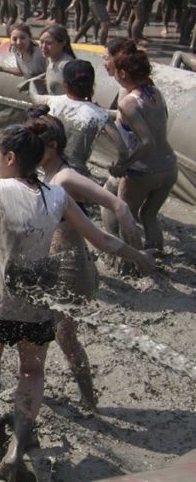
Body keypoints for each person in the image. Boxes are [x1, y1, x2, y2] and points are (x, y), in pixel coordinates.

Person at [0, 122, 154, 479]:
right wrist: (141, 257)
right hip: (36, 306)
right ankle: (17, 449)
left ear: (9, 157)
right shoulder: (56, 196)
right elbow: (101, 240)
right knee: (32, 373)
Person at [27, 107, 143, 411]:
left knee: (65, 336)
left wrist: (129, 224)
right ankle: (32, 383)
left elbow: (114, 202)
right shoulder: (44, 173)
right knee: (35, 328)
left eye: (33, 145)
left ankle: (89, 400)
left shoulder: (66, 177)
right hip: (46, 267)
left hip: (71, 268)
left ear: (52, 147)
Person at [102, 42, 178, 255]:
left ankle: (131, 263)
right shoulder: (155, 92)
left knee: (126, 215)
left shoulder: (129, 103)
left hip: (143, 171)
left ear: (123, 73)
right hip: (169, 167)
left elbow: (146, 142)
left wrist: (123, 166)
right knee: (149, 215)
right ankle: (157, 258)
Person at [28, 59, 115, 178]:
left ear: (65, 85)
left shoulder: (51, 101)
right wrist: (119, 167)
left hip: (47, 172)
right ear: (92, 85)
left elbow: (34, 96)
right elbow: (123, 150)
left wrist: (31, 82)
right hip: (76, 176)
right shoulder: (100, 115)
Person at [36, 25, 76, 96]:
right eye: (41, 42)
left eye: (49, 43)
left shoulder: (67, 65)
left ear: (63, 43)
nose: (43, 47)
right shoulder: (50, 58)